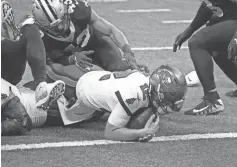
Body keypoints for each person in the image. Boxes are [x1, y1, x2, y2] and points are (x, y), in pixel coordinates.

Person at [19, 0, 142, 91]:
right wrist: (71, 59)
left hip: (95, 44)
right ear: (41, 25)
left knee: (121, 67)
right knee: (90, 85)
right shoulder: (35, 33)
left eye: (62, 20)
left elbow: (110, 30)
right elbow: (51, 65)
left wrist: (127, 51)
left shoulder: (78, 9)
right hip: (66, 62)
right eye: (55, 26)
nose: (61, 27)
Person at [55, 64, 187, 142]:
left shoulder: (143, 80)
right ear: (157, 91)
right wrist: (142, 132)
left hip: (99, 76)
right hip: (83, 91)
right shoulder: (133, 97)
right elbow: (110, 132)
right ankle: (50, 92)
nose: (171, 104)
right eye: (168, 99)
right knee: (53, 116)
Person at [173, 0, 237, 115]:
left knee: (197, 42)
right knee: (216, 48)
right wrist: (189, 30)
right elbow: (209, 4)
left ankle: (212, 100)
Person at [1, 1, 66, 104]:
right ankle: (39, 86)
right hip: (8, 78)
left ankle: (40, 85)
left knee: (28, 26)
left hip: (8, 77)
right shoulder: (31, 26)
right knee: (29, 25)